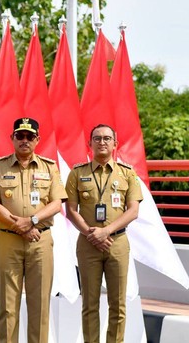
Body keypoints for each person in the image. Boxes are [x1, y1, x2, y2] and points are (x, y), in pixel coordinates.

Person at [0, 117, 67, 343]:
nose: (24, 140)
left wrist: (31, 221)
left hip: (39, 242)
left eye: (30, 136)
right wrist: (20, 227)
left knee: (40, 306)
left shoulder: (49, 168)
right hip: (8, 241)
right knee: (8, 307)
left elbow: (56, 203)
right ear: (12, 138)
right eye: (20, 136)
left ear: (37, 140)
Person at [65, 124, 142, 343]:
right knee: (90, 303)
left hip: (117, 242)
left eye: (107, 138)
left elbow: (134, 210)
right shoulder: (77, 173)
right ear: (89, 144)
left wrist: (105, 231)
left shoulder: (127, 173)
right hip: (88, 243)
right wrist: (92, 234)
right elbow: (71, 210)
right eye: (97, 138)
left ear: (115, 144)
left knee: (118, 304)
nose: (102, 142)